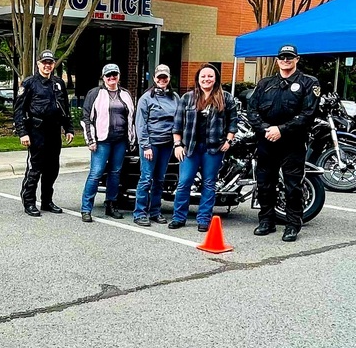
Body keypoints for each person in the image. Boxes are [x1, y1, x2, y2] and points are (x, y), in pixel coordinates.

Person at [247, 44, 320, 242]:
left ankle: (292, 225)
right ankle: (266, 221)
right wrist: (265, 129)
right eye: (282, 57)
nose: (285, 60)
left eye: (289, 57)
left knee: (292, 186)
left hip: (293, 142)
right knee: (265, 184)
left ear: (297, 59)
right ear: (277, 60)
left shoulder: (308, 82)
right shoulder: (265, 84)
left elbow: (308, 114)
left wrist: (281, 130)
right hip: (266, 141)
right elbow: (252, 110)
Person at [170, 64, 238, 232]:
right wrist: (177, 145)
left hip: (213, 149)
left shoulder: (226, 98)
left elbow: (233, 122)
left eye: (210, 76)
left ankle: (204, 219)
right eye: (203, 76)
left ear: (216, 78)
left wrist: (228, 140)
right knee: (184, 182)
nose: (206, 79)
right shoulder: (187, 98)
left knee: (209, 183)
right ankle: (178, 217)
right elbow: (177, 124)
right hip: (190, 148)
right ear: (198, 79)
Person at [13, 49, 74, 217]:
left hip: (54, 130)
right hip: (36, 131)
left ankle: (47, 201)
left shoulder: (58, 83)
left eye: (50, 63)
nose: (48, 66)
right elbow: (19, 110)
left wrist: (68, 128)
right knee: (35, 168)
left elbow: (64, 108)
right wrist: (22, 132)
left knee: (52, 169)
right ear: (38, 64)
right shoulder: (29, 83)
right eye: (45, 63)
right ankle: (29, 202)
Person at [80, 63, 136, 223]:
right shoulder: (95, 93)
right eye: (108, 75)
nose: (112, 78)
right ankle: (86, 209)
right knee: (96, 173)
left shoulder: (125, 94)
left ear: (118, 76)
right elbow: (86, 118)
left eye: (114, 75)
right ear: (103, 77)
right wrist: (90, 140)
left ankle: (111, 205)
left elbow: (131, 118)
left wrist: (131, 139)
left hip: (120, 141)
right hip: (101, 141)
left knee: (115, 173)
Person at [132, 64, 179, 227]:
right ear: (154, 78)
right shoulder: (146, 98)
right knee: (146, 179)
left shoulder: (175, 97)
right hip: (151, 144)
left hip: (167, 144)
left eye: (165, 77)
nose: (162, 80)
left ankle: (155, 211)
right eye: (159, 77)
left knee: (160, 179)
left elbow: (179, 120)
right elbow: (140, 124)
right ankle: (139, 213)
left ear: (169, 78)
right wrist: (145, 146)